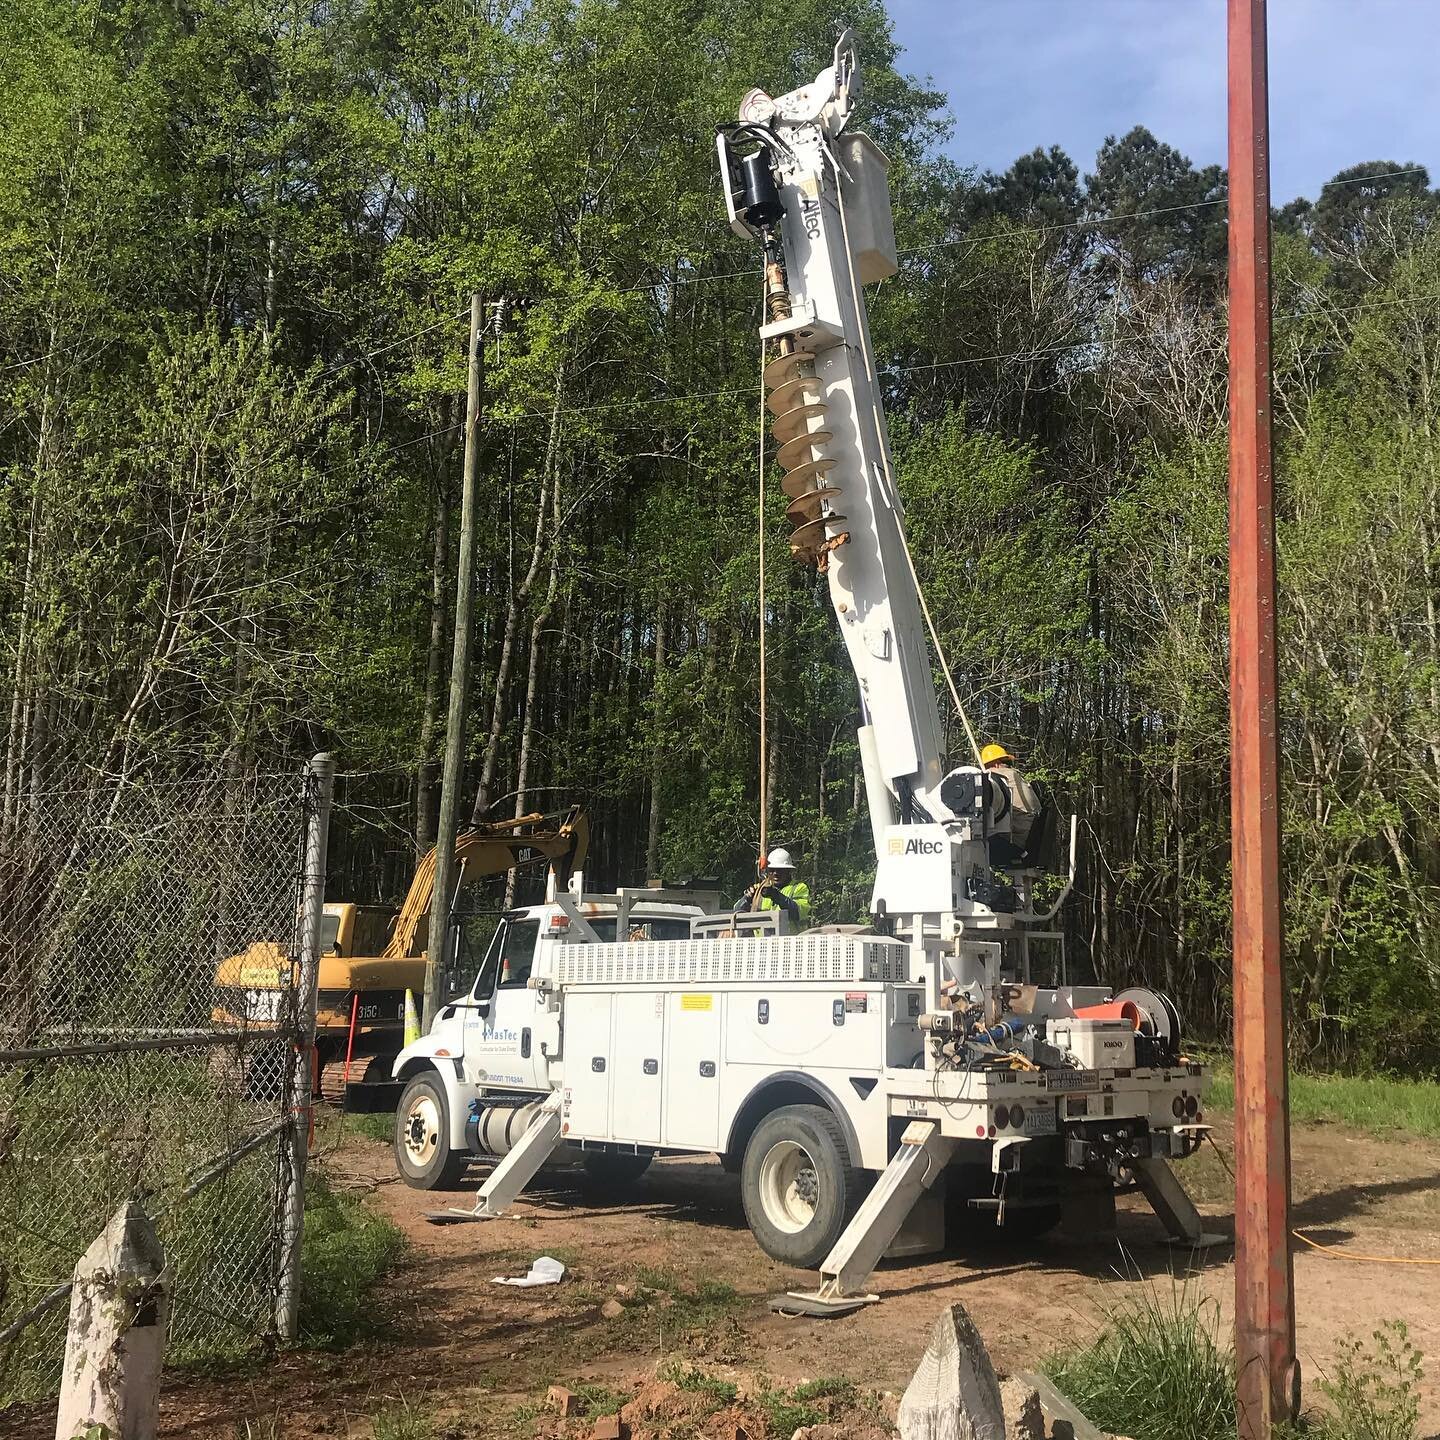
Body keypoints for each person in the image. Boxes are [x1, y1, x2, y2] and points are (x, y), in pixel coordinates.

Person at [980, 743, 1045, 861]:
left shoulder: (998, 776)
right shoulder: (1014, 776)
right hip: (1030, 839)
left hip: (1017, 841)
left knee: (971, 841)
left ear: (995, 765)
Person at [749, 847, 812, 929]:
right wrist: (746, 899)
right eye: (772, 870)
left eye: (780, 870)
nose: (775, 873)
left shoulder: (799, 888)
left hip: (790, 940)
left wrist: (775, 895)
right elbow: (736, 912)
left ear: (789, 871)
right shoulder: (760, 890)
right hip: (762, 941)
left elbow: (798, 912)